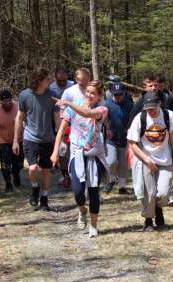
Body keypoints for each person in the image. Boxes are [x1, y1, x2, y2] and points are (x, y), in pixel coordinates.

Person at [51, 80, 108, 238]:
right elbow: (62, 130)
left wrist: (68, 103)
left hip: (94, 155)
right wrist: (55, 151)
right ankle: (82, 210)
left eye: (93, 93)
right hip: (77, 153)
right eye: (87, 91)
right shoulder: (73, 107)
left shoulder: (102, 109)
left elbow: (88, 114)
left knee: (93, 190)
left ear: (99, 96)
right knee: (78, 191)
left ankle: (94, 226)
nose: (89, 95)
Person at [127, 92, 173, 232]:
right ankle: (148, 220)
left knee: (163, 193)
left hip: (165, 159)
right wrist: (146, 159)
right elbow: (132, 143)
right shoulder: (140, 118)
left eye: (153, 108)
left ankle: (158, 209)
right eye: (147, 109)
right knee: (149, 193)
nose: (150, 111)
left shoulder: (168, 115)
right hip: (147, 159)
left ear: (159, 105)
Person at [13, 68, 59, 211]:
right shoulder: (25, 95)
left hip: (48, 139)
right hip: (30, 138)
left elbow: (57, 120)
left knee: (46, 171)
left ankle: (44, 199)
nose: (50, 81)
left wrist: (60, 140)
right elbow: (20, 117)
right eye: (47, 79)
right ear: (39, 80)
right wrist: (15, 140)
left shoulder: (53, 95)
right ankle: (34, 188)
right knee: (33, 168)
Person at [103, 82, 134, 194]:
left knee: (123, 164)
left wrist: (129, 128)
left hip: (124, 138)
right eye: (116, 94)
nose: (118, 96)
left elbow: (133, 118)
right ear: (112, 93)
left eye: (120, 94)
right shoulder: (107, 104)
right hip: (111, 138)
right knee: (110, 161)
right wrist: (107, 129)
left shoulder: (129, 104)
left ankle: (122, 187)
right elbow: (104, 118)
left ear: (124, 93)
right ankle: (111, 179)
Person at [48, 67, 75, 188]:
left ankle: (74, 174)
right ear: (56, 79)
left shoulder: (73, 85)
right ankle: (65, 176)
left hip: (74, 123)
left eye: (64, 80)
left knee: (73, 151)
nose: (62, 83)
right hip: (58, 123)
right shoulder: (51, 88)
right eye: (60, 81)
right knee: (62, 151)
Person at [0, 90, 24, 192]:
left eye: (9, 101)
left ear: (12, 99)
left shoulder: (18, 107)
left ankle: (16, 175)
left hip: (19, 139)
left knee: (18, 163)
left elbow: (26, 119)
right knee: (5, 164)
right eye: (4, 101)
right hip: (3, 141)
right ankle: (8, 183)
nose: (7, 103)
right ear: (0, 101)